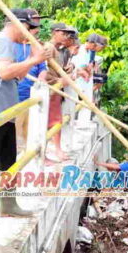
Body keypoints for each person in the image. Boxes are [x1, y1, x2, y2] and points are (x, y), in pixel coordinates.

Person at [0, 8, 53, 217]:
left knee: (8, 161)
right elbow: (5, 73)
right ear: (19, 24)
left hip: (4, 109)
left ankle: (8, 204)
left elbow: (19, 77)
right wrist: (34, 60)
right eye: (30, 28)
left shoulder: (12, 45)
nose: (32, 32)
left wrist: (35, 56)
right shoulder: (3, 41)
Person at [43, 23, 79, 162]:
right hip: (51, 89)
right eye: (63, 34)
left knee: (55, 121)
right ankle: (52, 152)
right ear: (55, 32)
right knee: (49, 122)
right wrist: (59, 80)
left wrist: (68, 69)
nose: (66, 37)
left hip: (56, 90)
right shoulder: (49, 48)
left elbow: (59, 69)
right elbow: (44, 71)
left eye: (67, 35)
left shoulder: (58, 50)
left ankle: (57, 150)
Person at [15, 9, 48, 145]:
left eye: (37, 24)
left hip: (32, 95)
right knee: (14, 133)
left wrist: (41, 80)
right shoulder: (10, 44)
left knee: (29, 132)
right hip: (14, 97)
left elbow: (43, 68)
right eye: (32, 24)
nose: (36, 28)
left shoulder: (36, 46)